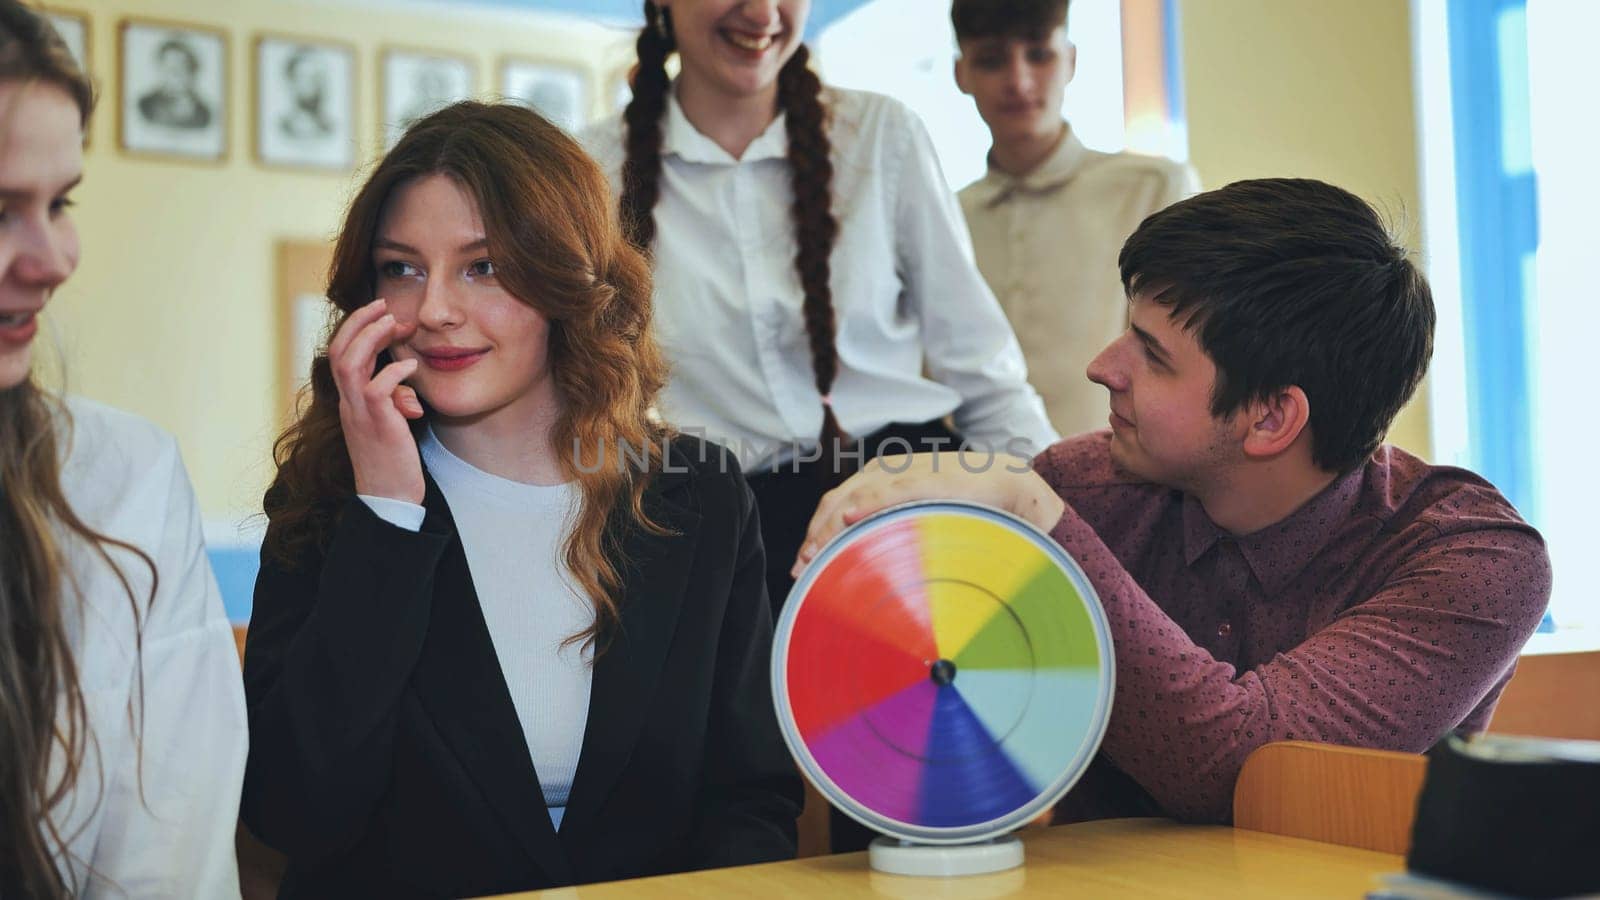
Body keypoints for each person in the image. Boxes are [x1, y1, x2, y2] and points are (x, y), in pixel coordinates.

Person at [794, 178, 1551, 824]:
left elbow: (1249, 772)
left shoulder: (1473, 561)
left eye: (1151, 356)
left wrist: (1035, 519)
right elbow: (916, 730)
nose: (1102, 368)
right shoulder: (1088, 491)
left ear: (1271, 418)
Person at [241, 100, 801, 897]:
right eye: (402, 267)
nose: (434, 309)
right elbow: (295, 813)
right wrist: (389, 517)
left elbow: (750, 800)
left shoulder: (700, 495)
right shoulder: (331, 501)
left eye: (484, 266)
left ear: (567, 280)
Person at [584, 0, 1057, 624]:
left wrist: (1065, 516)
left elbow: (984, 375)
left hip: (904, 503)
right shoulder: (591, 171)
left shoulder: (881, 136)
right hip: (715, 539)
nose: (761, 12)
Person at [0, 4, 247, 896]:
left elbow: (169, 861)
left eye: (59, 202)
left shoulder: (120, 482)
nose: (55, 256)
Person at [953, 0, 1197, 437]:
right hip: (973, 489)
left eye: (1039, 54)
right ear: (961, 75)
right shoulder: (948, 216)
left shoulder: (1154, 187)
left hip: (1122, 483)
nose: (1018, 80)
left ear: (1071, 59)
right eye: (991, 61)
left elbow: (1184, 361)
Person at [136, 36, 212, 130]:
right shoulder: (145, 105)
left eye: (182, 66)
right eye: (170, 68)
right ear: (160, 70)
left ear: (192, 70)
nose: (175, 74)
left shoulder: (204, 113)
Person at [277, 47, 334, 141]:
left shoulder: (329, 130)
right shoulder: (282, 129)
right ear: (291, 81)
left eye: (317, 77)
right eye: (305, 77)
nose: (314, 85)